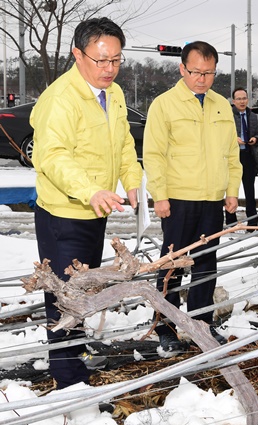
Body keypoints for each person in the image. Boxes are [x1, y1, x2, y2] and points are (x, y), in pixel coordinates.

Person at [30, 17, 143, 389]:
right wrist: (89, 189)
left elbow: (124, 142)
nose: (110, 69)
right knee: (66, 297)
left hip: (96, 212)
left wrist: (133, 180)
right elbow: (53, 156)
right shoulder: (60, 99)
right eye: (101, 60)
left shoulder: (114, 94)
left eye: (116, 60)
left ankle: (76, 356)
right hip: (64, 215)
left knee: (85, 289)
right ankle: (69, 382)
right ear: (78, 55)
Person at [143, 41, 242, 354]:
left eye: (209, 73)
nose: (202, 78)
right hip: (178, 199)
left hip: (212, 199)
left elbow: (231, 153)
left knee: (206, 263)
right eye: (196, 71)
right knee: (171, 265)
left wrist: (231, 192)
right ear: (182, 68)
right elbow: (154, 154)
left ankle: (201, 322)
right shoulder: (165, 104)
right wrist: (159, 195)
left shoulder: (220, 105)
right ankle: (166, 326)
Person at [225, 87, 258, 227]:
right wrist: (234, 139)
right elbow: (224, 135)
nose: (242, 101)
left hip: (248, 155)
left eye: (244, 98)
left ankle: (253, 222)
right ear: (233, 101)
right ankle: (231, 221)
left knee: (250, 190)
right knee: (231, 189)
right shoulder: (228, 115)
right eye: (239, 99)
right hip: (233, 157)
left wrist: (255, 139)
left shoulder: (252, 115)